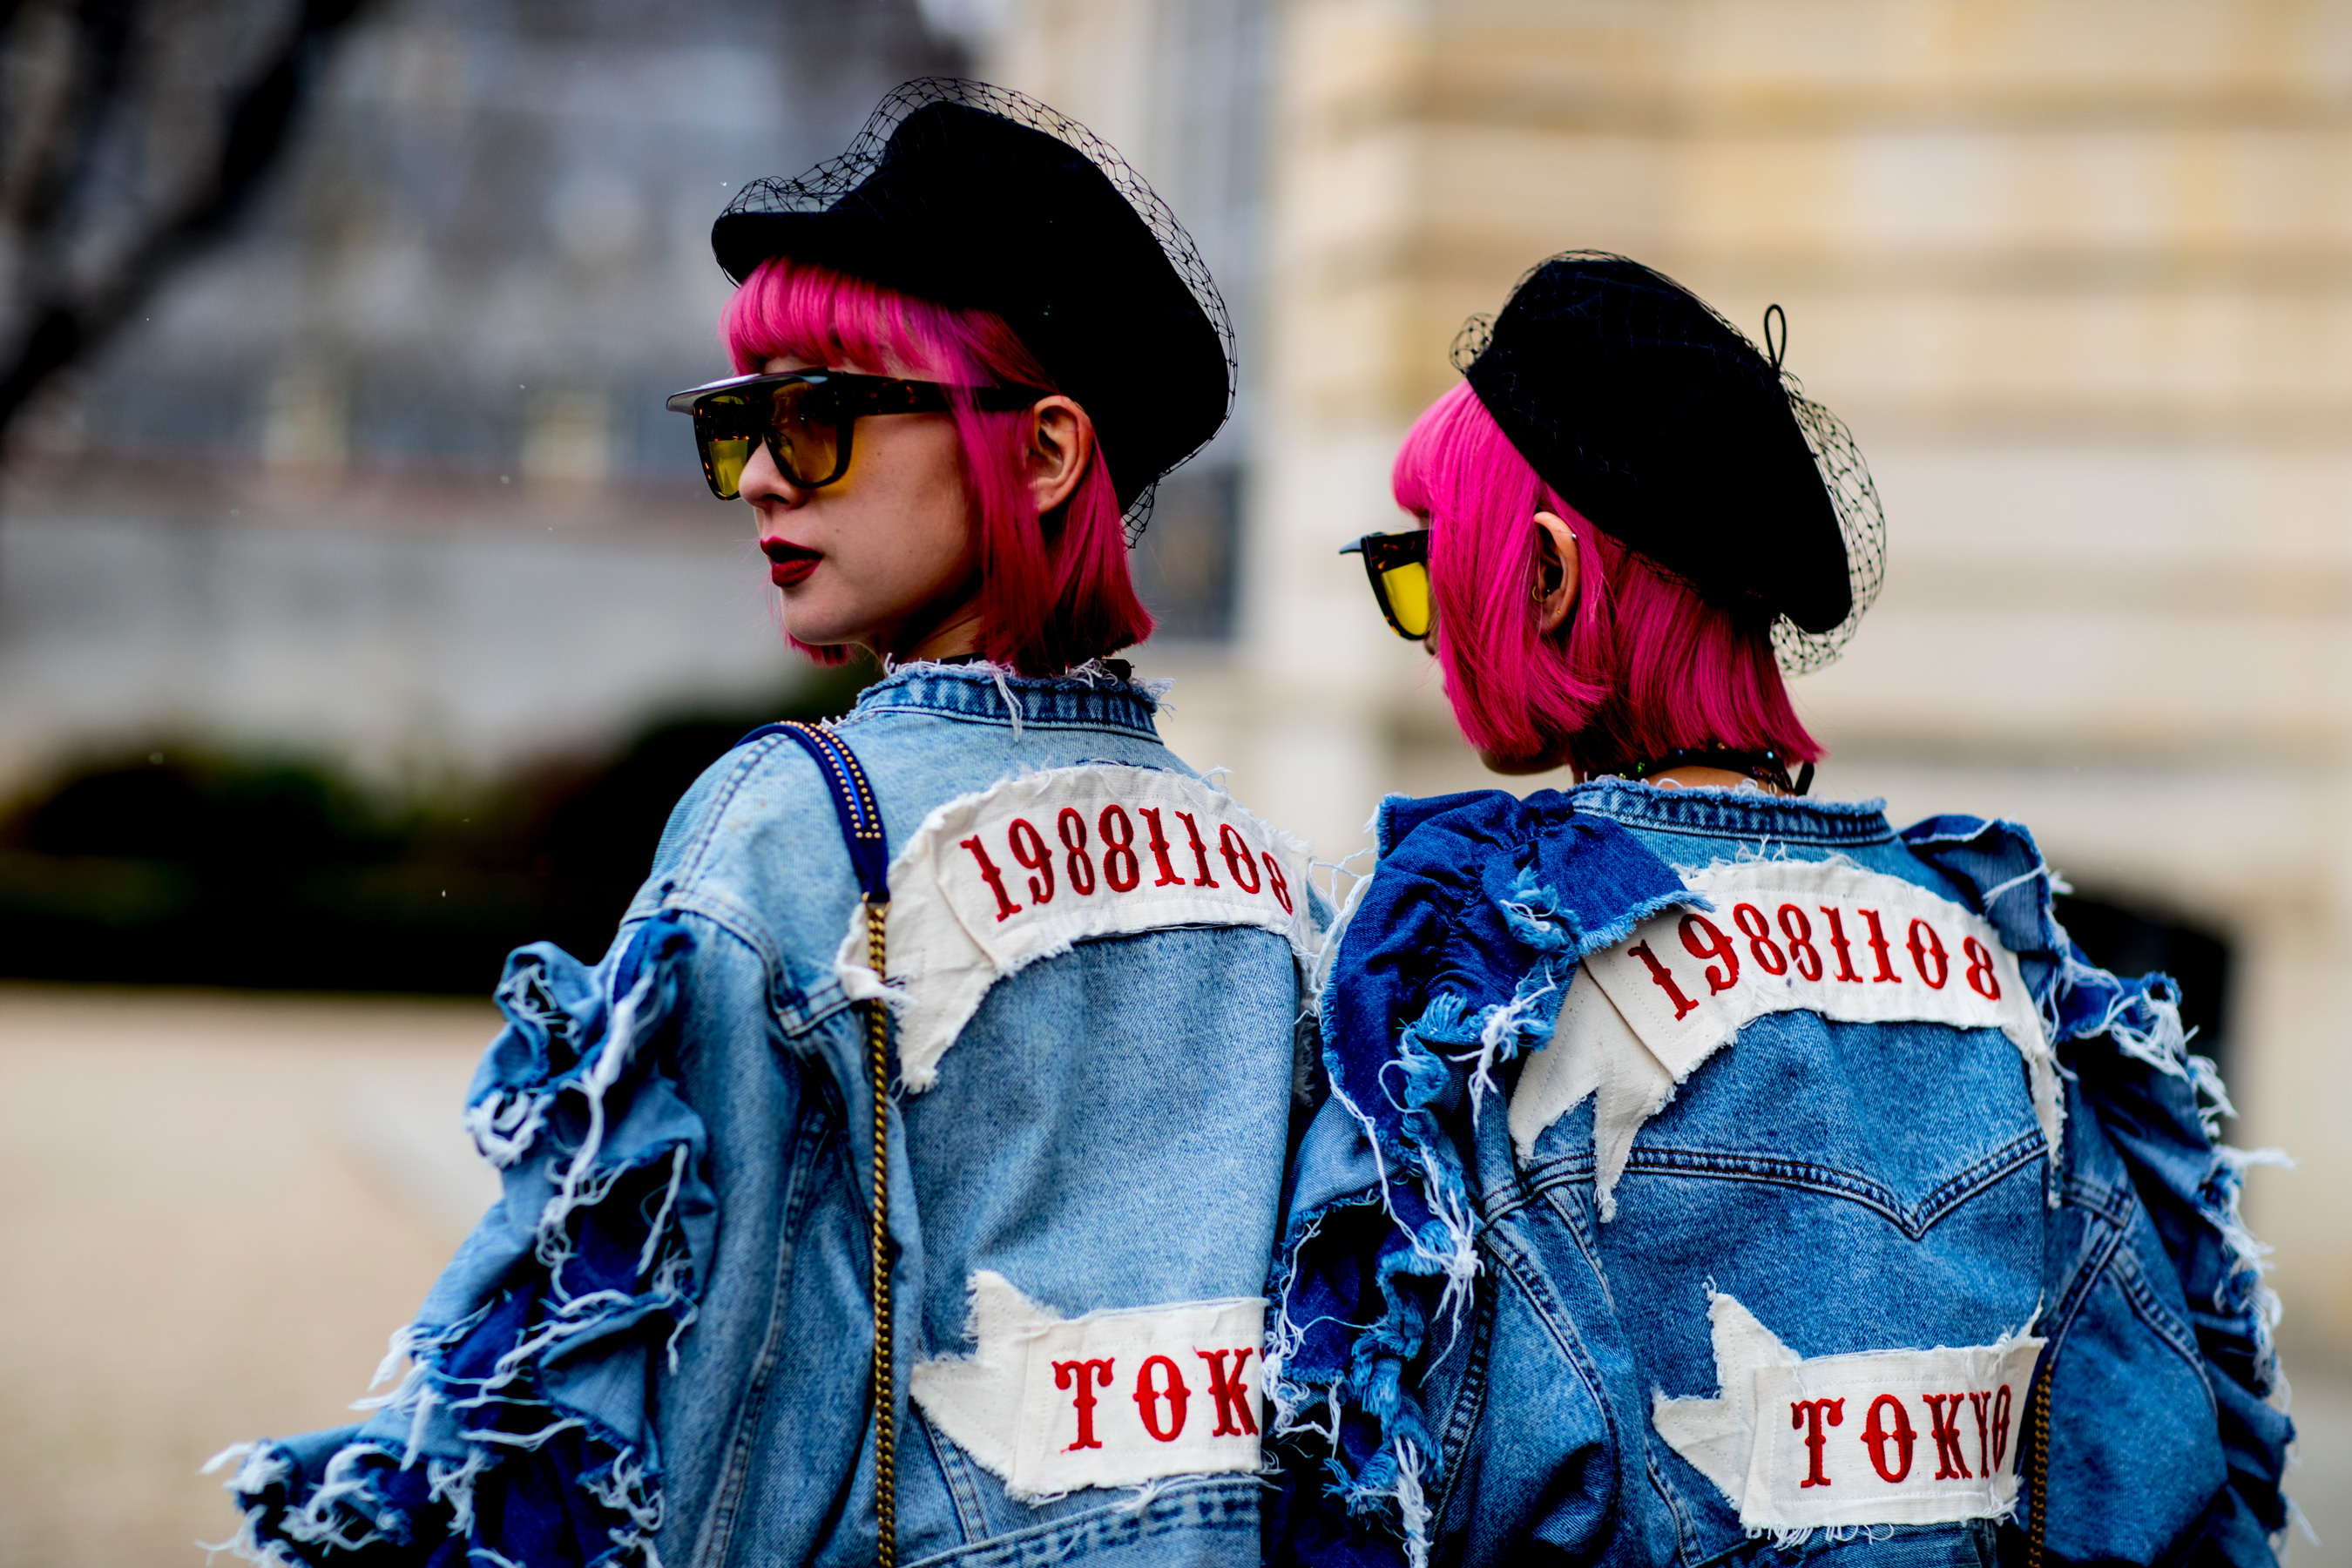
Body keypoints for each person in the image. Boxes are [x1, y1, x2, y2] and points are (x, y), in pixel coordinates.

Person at [213, 80, 1321, 1568]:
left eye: (818, 417)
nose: (755, 476)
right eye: (740, 418)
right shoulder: (1272, 883)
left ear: (1045, 452)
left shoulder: (796, 830)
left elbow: (648, 1409)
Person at [1264, 253, 2291, 1565]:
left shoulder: (1482, 986)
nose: (1422, 629)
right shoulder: (2001, 968)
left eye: (1425, 569)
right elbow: (2153, 1481)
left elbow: (1373, 1486)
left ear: (1548, 578)